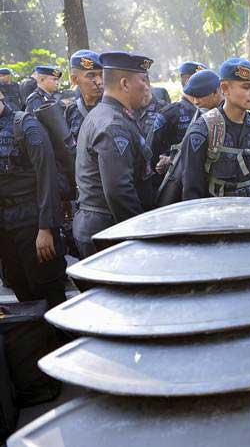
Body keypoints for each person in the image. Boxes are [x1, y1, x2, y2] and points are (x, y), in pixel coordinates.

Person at [73, 51, 156, 258]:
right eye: (143, 80)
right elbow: (119, 191)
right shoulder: (113, 125)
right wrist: (140, 237)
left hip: (106, 225)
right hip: (108, 229)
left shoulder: (110, 114)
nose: (147, 87)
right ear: (125, 84)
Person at [181, 59, 250, 202]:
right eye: (246, 87)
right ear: (225, 88)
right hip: (216, 217)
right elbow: (192, 190)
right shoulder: (204, 130)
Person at [0, 97, 66, 308]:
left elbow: (48, 178)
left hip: (33, 221)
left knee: (48, 291)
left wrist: (46, 228)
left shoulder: (26, 126)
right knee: (19, 287)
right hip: (5, 227)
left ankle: (61, 341)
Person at [65, 50, 103, 142]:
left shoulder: (114, 109)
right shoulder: (71, 110)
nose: (99, 81)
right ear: (74, 79)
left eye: (101, 75)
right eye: (91, 75)